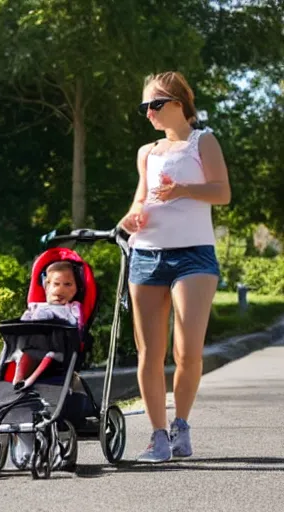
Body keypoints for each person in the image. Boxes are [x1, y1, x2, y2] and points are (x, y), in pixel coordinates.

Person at [119, 71, 231, 463]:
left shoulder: (203, 141)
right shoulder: (146, 152)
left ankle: (180, 425)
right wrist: (130, 219)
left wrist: (183, 190)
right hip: (147, 254)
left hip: (194, 255)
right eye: (144, 107)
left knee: (186, 352)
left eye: (154, 104)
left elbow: (222, 192)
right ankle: (157, 437)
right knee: (149, 353)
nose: (147, 112)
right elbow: (139, 200)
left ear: (178, 105)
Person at [12, 261, 82, 391]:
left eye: (67, 285)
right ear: (46, 286)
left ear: (76, 288)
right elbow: (24, 322)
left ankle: (28, 381)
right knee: (24, 355)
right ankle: (17, 380)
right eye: (56, 284)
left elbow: (75, 325)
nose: (60, 290)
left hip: (58, 350)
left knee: (49, 355)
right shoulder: (37, 306)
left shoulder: (72, 308)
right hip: (33, 347)